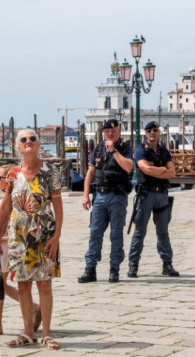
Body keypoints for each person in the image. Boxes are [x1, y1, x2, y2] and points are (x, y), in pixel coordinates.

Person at [0, 129, 63, 349]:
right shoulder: (12, 174)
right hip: (19, 234)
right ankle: (29, 331)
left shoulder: (51, 171)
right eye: (24, 140)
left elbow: (58, 207)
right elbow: (5, 207)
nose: (29, 142)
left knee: (44, 283)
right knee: (22, 284)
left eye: (33, 139)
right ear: (19, 147)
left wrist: (57, 236)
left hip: (44, 232)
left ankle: (47, 333)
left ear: (38, 144)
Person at [0, 164, 41, 337]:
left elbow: (3, 225)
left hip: (2, 245)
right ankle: (1, 321)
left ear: (9, 180)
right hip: (6, 244)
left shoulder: (10, 199)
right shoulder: (16, 197)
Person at [79, 119, 133, 283]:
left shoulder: (125, 148)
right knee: (95, 232)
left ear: (118, 131)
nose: (109, 134)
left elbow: (129, 167)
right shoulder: (98, 148)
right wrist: (85, 194)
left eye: (113, 131)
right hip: (100, 196)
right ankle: (90, 269)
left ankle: (114, 269)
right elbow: (90, 172)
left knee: (116, 234)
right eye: (106, 131)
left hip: (117, 196)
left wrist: (114, 151)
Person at [127, 121, 179, 278]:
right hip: (146, 194)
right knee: (140, 231)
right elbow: (145, 169)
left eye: (155, 130)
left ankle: (167, 264)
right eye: (149, 130)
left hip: (162, 194)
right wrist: (163, 170)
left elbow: (173, 173)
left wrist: (158, 171)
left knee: (163, 231)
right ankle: (133, 265)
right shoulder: (140, 150)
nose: (152, 133)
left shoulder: (164, 151)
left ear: (159, 132)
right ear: (145, 133)